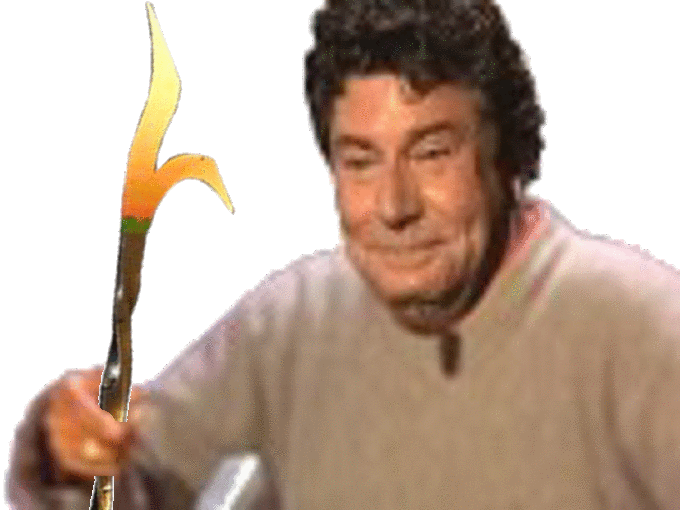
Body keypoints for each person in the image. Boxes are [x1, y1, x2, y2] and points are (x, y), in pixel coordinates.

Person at [6, 0, 680, 508]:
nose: (394, 205)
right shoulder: (290, 323)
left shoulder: (642, 325)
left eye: (432, 153)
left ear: (505, 156)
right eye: (360, 161)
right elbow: (125, 479)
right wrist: (66, 448)